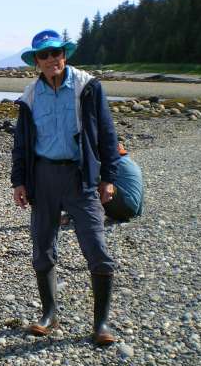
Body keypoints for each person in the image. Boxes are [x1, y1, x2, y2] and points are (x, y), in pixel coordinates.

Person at [11, 29, 121, 345]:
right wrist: (18, 181)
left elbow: (107, 133)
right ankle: (49, 315)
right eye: (43, 55)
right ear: (36, 61)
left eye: (55, 53)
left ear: (65, 54)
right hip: (42, 177)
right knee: (42, 248)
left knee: (97, 248)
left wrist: (108, 177)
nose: (51, 59)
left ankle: (101, 324)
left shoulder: (88, 88)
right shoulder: (30, 96)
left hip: (80, 177)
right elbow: (21, 142)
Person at [103, 143, 144, 222]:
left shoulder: (116, 163)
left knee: (94, 181)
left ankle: (84, 215)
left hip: (125, 208)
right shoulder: (130, 162)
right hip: (133, 210)